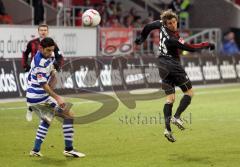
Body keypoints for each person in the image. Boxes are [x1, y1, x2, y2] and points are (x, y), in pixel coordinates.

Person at [135, 10, 215, 142]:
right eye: (170, 23)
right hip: (173, 65)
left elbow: (148, 26)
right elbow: (191, 48)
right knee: (189, 93)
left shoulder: (161, 24)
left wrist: (142, 37)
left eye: (174, 22)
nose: (173, 25)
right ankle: (176, 117)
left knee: (170, 99)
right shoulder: (173, 38)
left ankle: (167, 130)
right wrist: (207, 44)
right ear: (166, 24)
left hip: (161, 65)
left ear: (176, 20)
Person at [27, 37, 85, 158]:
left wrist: (53, 73)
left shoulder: (49, 55)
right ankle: (68, 149)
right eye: (47, 50)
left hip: (39, 96)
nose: (50, 53)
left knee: (47, 119)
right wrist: (57, 97)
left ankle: (35, 150)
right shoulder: (39, 62)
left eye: (51, 50)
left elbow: (51, 77)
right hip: (38, 96)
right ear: (40, 48)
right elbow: (43, 85)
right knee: (69, 114)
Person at [22, 24, 64, 122]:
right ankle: (31, 108)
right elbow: (25, 53)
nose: (43, 32)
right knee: (35, 90)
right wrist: (25, 65)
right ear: (38, 31)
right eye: (41, 30)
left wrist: (55, 68)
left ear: (47, 31)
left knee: (57, 112)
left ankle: (39, 109)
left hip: (44, 71)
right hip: (35, 72)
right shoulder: (32, 44)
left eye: (45, 30)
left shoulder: (51, 46)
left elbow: (58, 56)